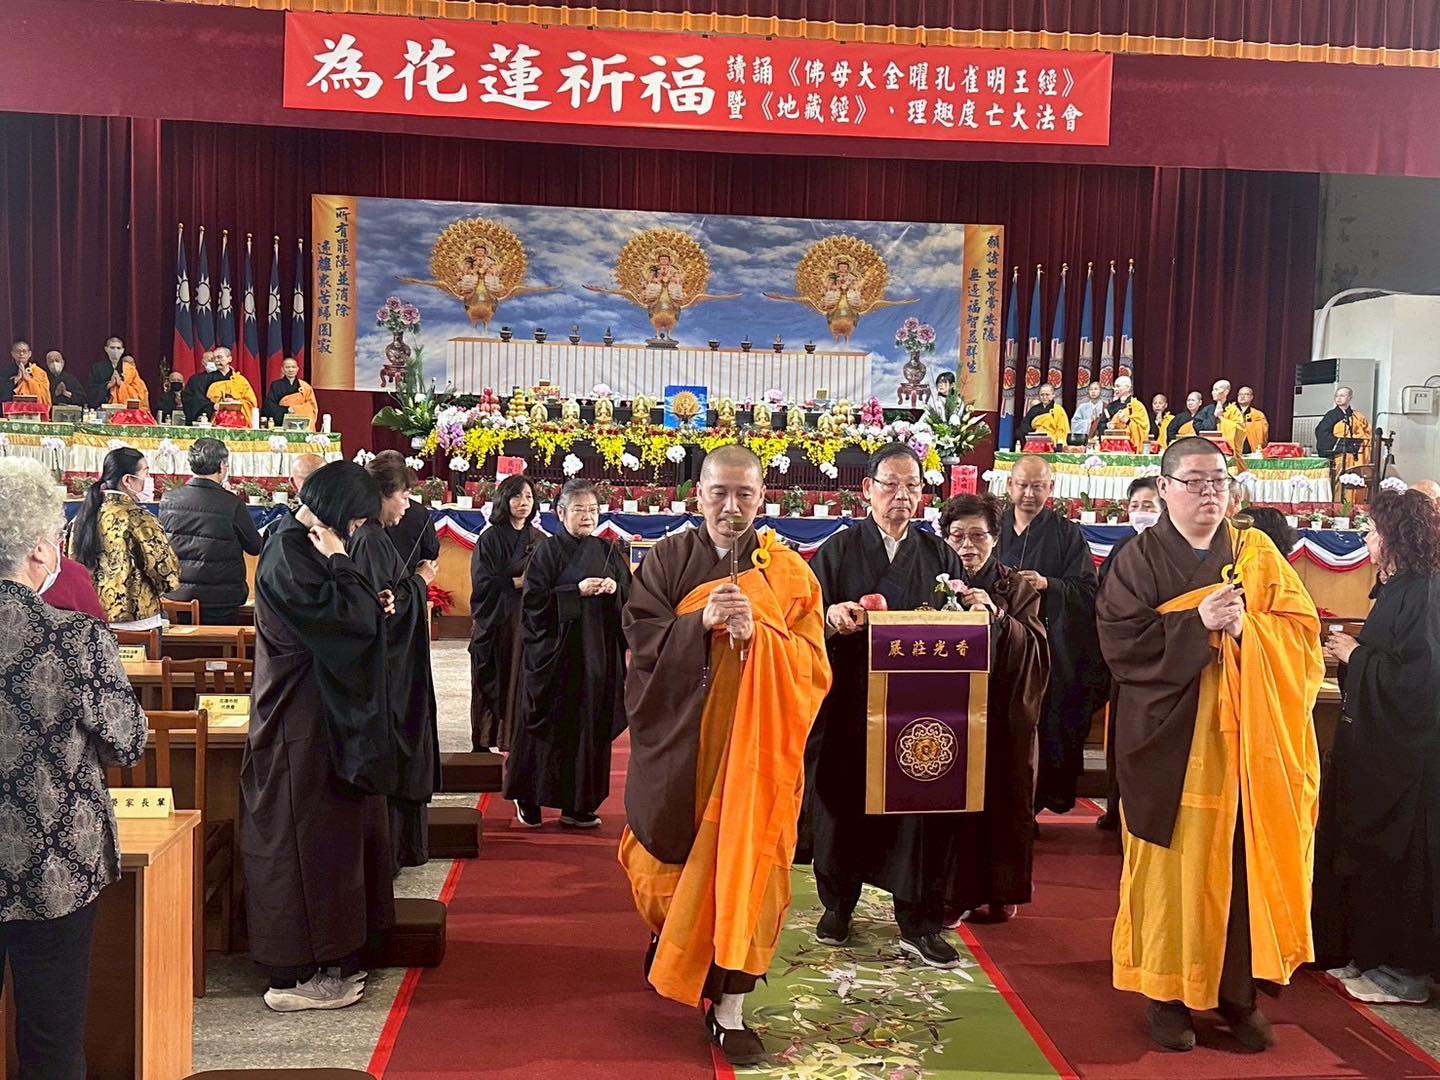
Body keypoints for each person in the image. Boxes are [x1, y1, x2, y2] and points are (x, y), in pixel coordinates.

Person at [1097, 436, 1324, 1053]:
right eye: (1194, 481)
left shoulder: (1256, 553)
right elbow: (1121, 645)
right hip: (1168, 740)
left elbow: (1302, 635)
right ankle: (1166, 996)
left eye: (1219, 481)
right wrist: (1196, 624)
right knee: (1172, 873)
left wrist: (1249, 627)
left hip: (1247, 746)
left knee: (1239, 865)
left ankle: (1237, 994)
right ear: (1164, 488)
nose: (1209, 493)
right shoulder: (1137, 560)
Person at [619, 444, 830, 1064]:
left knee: (749, 875)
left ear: (763, 498)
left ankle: (731, 1007)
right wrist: (699, 625)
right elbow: (640, 637)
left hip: (756, 757)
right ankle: (671, 936)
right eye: (719, 493)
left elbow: (815, 667)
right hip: (681, 748)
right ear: (699, 495)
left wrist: (760, 638)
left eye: (744, 494)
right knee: (660, 868)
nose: (731, 507)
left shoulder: (790, 574)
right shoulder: (667, 560)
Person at [0, 457, 148, 1078]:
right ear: (40, 547)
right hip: (53, 861)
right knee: (52, 1040)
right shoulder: (75, 638)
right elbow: (127, 742)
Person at [242, 461, 395, 1013]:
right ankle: (293, 979)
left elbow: (353, 616)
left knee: (327, 840)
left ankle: (332, 957)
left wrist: (369, 597)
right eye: (355, 521)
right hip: (297, 720)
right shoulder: (291, 551)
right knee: (301, 842)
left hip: (320, 714)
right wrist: (342, 567)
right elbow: (347, 624)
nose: (356, 532)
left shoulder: (305, 543)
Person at [806, 443, 968, 966]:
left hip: (918, 709)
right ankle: (838, 905)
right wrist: (831, 617)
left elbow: (958, 623)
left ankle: (918, 921)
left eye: (912, 486)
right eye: (891, 484)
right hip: (849, 701)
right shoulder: (837, 550)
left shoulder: (938, 555)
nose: (902, 495)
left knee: (919, 811)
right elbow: (805, 616)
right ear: (867, 490)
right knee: (842, 800)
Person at [1315, 490, 1440, 1005]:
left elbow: (1421, 681)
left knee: (1402, 861)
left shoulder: (1425, 591)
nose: (1367, 540)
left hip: (1409, 762)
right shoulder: (1394, 587)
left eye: (1374, 532)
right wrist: (1357, 657)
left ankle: (1403, 971)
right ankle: (1366, 953)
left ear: (1398, 537)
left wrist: (1355, 656)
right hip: (1375, 749)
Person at [935, 493, 1049, 924]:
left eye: (978, 536)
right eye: (957, 536)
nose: (967, 546)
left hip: (1002, 708)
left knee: (1003, 795)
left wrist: (998, 616)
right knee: (949, 799)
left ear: (995, 538)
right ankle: (953, 892)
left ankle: (1002, 889)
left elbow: (1036, 647)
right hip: (946, 710)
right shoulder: (934, 579)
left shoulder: (1015, 586)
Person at [505, 479, 630, 828]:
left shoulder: (607, 551)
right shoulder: (546, 552)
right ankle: (528, 797)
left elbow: (631, 597)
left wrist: (616, 589)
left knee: (588, 726)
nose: (588, 516)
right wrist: (575, 591)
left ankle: (578, 804)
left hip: (595, 654)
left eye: (593, 510)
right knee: (546, 727)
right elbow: (533, 605)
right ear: (561, 513)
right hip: (555, 657)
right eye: (579, 509)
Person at [999, 455, 1109, 814]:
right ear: (1009, 485)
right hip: (998, 647)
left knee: (1048, 724)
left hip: (1049, 649)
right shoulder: (992, 526)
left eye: (1038, 486)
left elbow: (1087, 589)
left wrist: (1048, 583)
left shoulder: (1066, 533)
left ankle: (1036, 803)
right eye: (1022, 485)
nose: (1029, 494)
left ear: (1051, 488)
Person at [353, 453, 440, 872]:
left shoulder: (375, 535)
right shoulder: (370, 540)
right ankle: (394, 852)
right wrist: (421, 581)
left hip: (400, 663)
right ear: (383, 495)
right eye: (404, 495)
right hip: (391, 669)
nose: (407, 505)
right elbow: (383, 609)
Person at [1095, 477, 1164, 832]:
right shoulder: (1123, 547)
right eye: (1135, 506)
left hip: (1165, 657)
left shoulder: (1174, 548)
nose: (1140, 512)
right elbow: (1104, 597)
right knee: (1122, 738)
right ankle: (1116, 808)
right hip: (1125, 657)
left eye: (1148, 506)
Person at [68, 447, 180, 629]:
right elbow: (165, 571)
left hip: (90, 617)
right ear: (128, 480)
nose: (148, 480)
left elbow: (71, 565)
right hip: (137, 619)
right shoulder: (139, 519)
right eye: (146, 473)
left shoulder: (80, 518)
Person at [469, 473, 542, 752]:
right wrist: (515, 583)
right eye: (516, 496)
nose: (524, 502)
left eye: (529, 497)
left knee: (522, 679)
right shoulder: (490, 538)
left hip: (526, 620)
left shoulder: (539, 539)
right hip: (496, 619)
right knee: (491, 677)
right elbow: (482, 581)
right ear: (504, 499)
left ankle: (515, 739)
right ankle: (485, 741)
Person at [158, 437, 263, 625]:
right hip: (221, 598)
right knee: (221, 640)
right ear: (222, 466)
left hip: (177, 596)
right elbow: (255, 547)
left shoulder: (169, 500)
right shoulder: (231, 503)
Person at [378, 450, 441, 576]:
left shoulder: (416, 510)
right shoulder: (367, 528)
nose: (405, 507)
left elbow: (431, 552)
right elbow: (431, 551)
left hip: (411, 580)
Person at [1316, 386, 1373, 471]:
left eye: (1342, 396)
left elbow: (1367, 434)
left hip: (1356, 454)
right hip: (1339, 455)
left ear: (1350, 398)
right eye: (1336, 396)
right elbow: (1321, 433)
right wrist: (1342, 444)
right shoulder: (1331, 415)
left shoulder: (1358, 416)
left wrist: (1357, 443)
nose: (1338, 398)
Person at [203, 347, 258, 425]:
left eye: (219, 357)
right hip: (216, 421)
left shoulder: (240, 380)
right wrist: (214, 406)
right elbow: (200, 400)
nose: (216, 360)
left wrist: (236, 403)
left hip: (239, 421)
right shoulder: (206, 379)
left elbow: (251, 402)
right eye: (214, 358)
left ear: (229, 359)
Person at [263, 357, 320, 430]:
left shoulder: (305, 386)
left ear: (297, 369)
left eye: (293, 367)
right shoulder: (276, 385)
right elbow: (269, 406)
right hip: (281, 424)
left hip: (301, 424)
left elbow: (311, 407)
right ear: (282, 369)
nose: (291, 370)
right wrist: (287, 410)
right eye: (287, 367)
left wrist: (296, 409)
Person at [1104, 375, 1151, 452]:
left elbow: (1144, 427)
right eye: (1114, 387)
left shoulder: (1137, 405)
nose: (1115, 389)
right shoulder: (1111, 406)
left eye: (1118, 386)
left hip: (1130, 445)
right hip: (1112, 445)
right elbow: (1103, 424)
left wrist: (1128, 421)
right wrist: (1108, 426)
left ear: (1128, 387)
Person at [87, 335, 127, 408]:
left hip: (124, 407)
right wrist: (108, 385)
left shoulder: (129, 369)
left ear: (122, 350)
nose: (115, 351)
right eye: (112, 348)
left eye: (118, 348)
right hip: (103, 407)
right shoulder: (97, 368)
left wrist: (122, 384)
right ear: (106, 349)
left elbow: (137, 389)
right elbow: (91, 391)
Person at [1226, 385, 1269, 454]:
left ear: (1251, 397)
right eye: (1240, 394)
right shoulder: (1229, 413)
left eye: (1246, 394)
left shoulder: (1258, 415)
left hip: (1252, 450)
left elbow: (1264, 434)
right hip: (1233, 449)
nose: (1242, 396)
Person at [7, 341, 50, 406]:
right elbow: (2, 394)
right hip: (12, 408)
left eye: (24, 351)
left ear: (29, 354)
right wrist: (16, 379)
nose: (21, 354)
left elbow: (45, 395)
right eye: (18, 351)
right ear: (12, 354)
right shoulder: (5, 372)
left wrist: (28, 380)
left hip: (35, 409)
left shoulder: (40, 372)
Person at [183, 349, 222, 422]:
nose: (213, 362)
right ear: (203, 362)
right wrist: (208, 409)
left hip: (220, 415)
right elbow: (190, 398)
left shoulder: (223, 377)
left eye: (215, 360)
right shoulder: (195, 379)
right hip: (200, 415)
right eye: (210, 360)